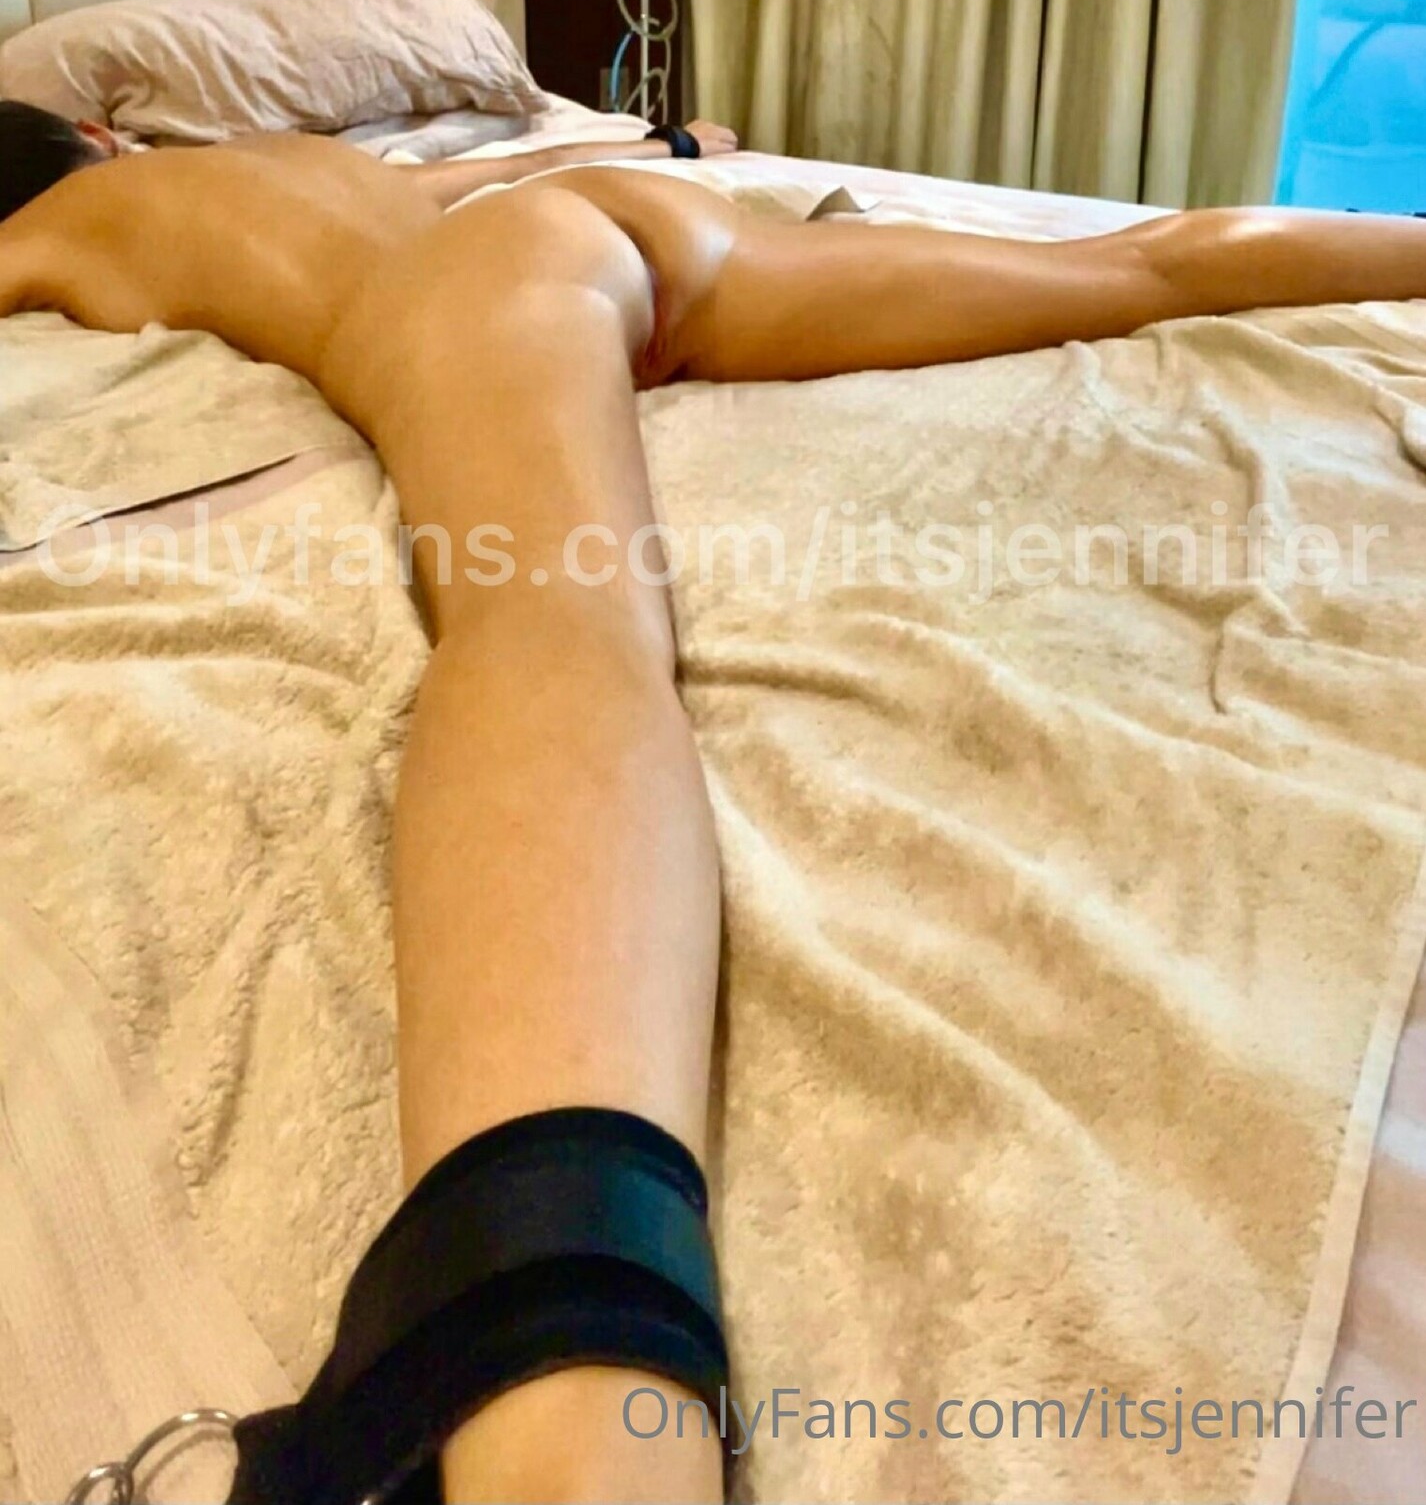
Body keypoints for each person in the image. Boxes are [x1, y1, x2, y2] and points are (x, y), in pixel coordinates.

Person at [4, 97, 1426, 1504]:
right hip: (606, 228)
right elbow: (495, 170)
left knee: (553, 609)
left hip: (476, 288)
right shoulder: (298, 153)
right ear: (106, 133)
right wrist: (673, 152)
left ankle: (560, 1397)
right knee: (1134, 269)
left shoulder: (64, 224)